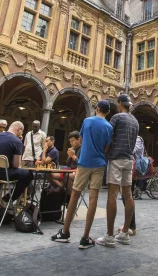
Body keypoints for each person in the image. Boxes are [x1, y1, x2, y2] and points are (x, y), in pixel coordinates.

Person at [51, 100, 112, 249]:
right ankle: (85, 238)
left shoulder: (87, 121)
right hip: (99, 164)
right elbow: (106, 147)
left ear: (97, 109)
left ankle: (65, 232)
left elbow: (82, 139)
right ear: (108, 112)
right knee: (93, 199)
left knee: (74, 196)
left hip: (84, 162)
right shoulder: (109, 126)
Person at [97, 94, 138, 247]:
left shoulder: (117, 118)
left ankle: (109, 236)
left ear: (120, 104)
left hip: (116, 159)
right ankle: (125, 233)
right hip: (129, 160)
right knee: (128, 195)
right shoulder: (135, 121)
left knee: (112, 195)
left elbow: (108, 136)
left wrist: (104, 151)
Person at [0, 121, 32, 208]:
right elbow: (16, 165)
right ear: (20, 130)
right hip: (2, 173)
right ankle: (7, 199)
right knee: (28, 174)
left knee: (1, 170)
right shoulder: (17, 141)